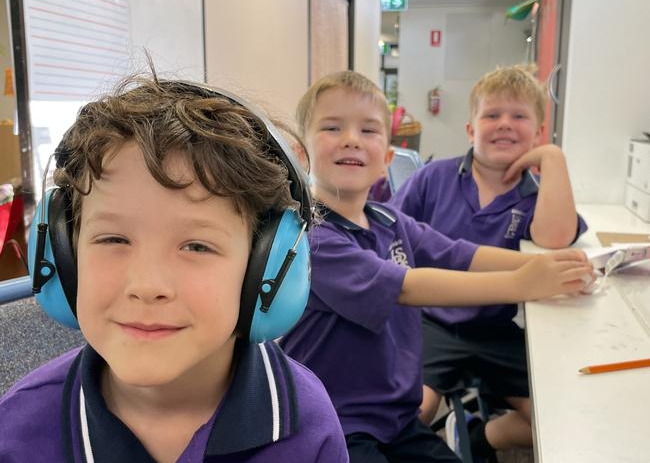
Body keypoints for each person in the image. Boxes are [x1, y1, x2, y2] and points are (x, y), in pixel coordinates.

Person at [0, 74, 349, 463]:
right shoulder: (17, 434)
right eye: (114, 240)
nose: (148, 286)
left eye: (196, 246)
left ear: (266, 269)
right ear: (62, 255)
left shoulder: (306, 423)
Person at [279, 70, 593, 463]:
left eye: (369, 130)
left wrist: (545, 265)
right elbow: (407, 286)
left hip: (394, 417)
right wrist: (523, 282)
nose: (351, 139)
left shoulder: (387, 220)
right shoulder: (312, 235)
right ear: (302, 153)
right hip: (337, 423)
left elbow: (459, 253)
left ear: (388, 158)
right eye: (332, 127)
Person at [390, 64, 587, 460]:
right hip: (433, 323)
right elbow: (388, 230)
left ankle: (483, 437)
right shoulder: (434, 178)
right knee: (411, 413)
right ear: (470, 129)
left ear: (537, 132)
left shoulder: (537, 195)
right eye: (491, 115)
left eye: (519, 116)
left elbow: (555, 239)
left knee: (558, 417)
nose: (505, 125)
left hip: (497, 328)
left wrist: (552, 159)